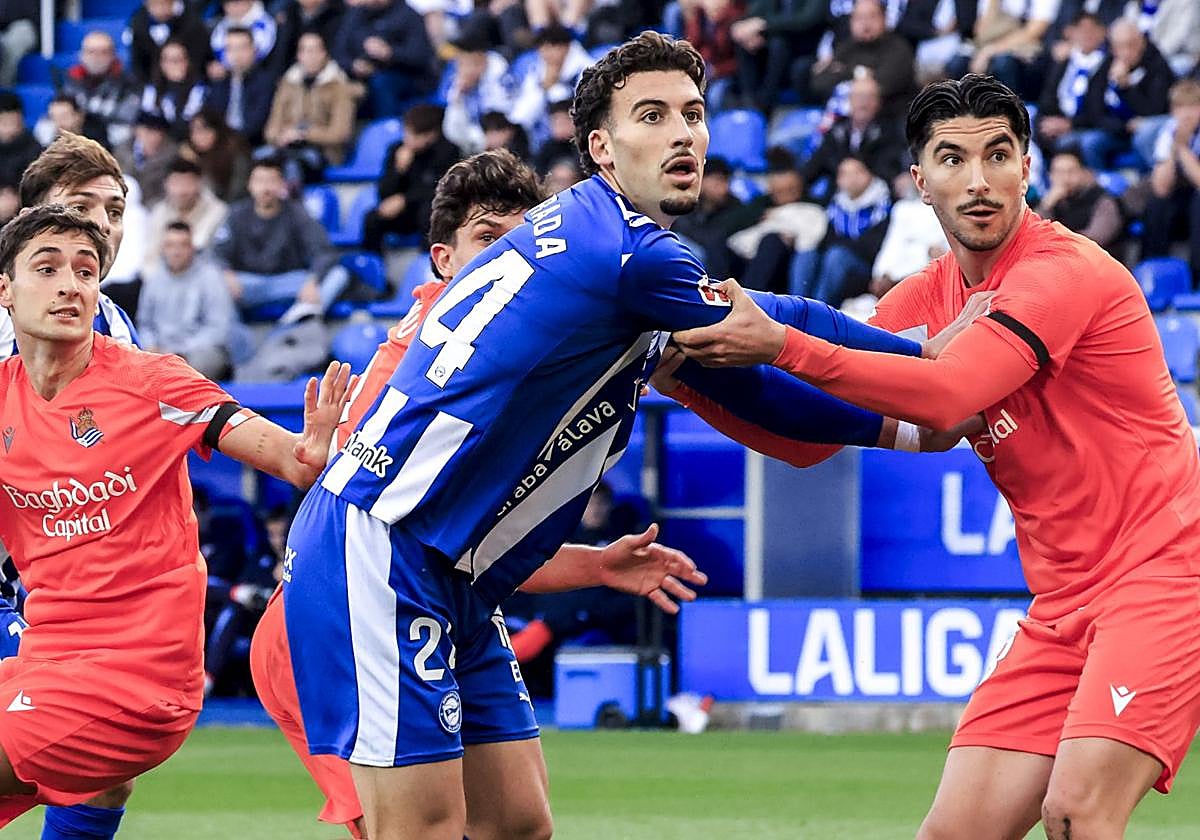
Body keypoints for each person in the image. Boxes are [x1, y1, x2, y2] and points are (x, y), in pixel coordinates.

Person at [282, 33, 946, 840]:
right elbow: (758, 366)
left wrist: (916, 368)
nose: (683, 135)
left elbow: (765, 322)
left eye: (694, 115)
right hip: (388, 549)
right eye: (653, 115)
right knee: (420, 828)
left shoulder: (607, 245)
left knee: (517, 823)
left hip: (457, 569)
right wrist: (923, 399)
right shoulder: (625, 252)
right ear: (601, 146)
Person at [671, 73, 1200, 839]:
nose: (978, 180)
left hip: (1165, 571)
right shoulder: (924, 299)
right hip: (1061, 605)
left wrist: (780, 343)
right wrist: (685, 375)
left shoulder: (1066, 272)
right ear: (921, 180)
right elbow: (816, 437)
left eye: (998, 154)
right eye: (952, 159)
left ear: (1028, 168)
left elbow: (949, 395)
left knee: (1080, 814)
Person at [251, 148, 711, 838]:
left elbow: (472, 539)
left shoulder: (527, 352)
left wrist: (593, 564)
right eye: (488, 240)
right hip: (344, 606)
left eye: (522, 241)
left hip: (446, 588)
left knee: (517, 822)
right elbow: (389, 530)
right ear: (442, 260)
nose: (510, 259)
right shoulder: (428, 361)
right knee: (420, 827)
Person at [212, 155, 350, 317]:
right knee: (214, 282)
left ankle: (294, 322)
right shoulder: (236, 214)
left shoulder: (298, 213)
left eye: (272, 181)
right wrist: (226, 273)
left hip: (289, 282)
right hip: (247, 283)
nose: (266, 188)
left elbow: (324, 252)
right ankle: (233, 337)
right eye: (260, 181)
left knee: (338, 275)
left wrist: (313, 280)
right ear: (249, 184)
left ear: (282, 184)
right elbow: (216, 254)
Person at [137, 220, 236, 378]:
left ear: (192, 248)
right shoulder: (153, 279)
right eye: (170, 245)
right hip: (160, 353)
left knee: (202, 361)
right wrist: (151, 345)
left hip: (198, 352)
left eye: (183, 245)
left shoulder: (211, 277)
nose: (176, 251)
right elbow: (144, 323)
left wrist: (181, 351)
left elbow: (218, 328)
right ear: (163, 248)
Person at [262, 31, 364, 182]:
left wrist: (304, 134)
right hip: (286, 147)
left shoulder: (340, 88)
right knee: (260, 159)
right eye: (303, 50)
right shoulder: (287, 84)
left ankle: (292, 204)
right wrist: (281, 136)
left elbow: (340, 133)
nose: (308, 56)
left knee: (293, 165)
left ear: (324, 53)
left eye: (313, 50)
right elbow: (271, 128)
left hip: (324, 152)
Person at [361, 104, 460, 253]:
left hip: (427, 208)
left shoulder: (447, 152)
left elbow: (441, 189)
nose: (408, 139)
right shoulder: (396, 150)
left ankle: (428, 260)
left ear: (431, 135)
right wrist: (398, 170)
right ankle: (372, 265)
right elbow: (384, 191)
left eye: (414, 135)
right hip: (403, 213)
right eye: (406, 133)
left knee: (429, 214)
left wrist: (405, 199)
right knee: (372, 218)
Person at [1142, 78, 1200, 287]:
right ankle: (1153, 271)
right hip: (1180, 202)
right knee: (1156, 204)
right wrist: (1174, 147)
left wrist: (1183, 148)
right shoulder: (1169, 131)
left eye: (1193, 106)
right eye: (1180, 107)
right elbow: (1161, 187)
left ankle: (1196, 277)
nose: (1186, 113)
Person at [142, 156, 228, 273]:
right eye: (176, 183)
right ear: (166, 184)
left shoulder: (218, 211)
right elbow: (151, 255)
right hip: (163, 278)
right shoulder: (159, 211)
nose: (181, 191)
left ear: (199, 183)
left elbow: (202, 248)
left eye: (188, 183)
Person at [57, 31, 142, 149]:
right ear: (81, 55)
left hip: (110, 152)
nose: (96, 58)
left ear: (113, 55)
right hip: (73, 149)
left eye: (103, 52)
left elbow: (125, 129)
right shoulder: (70, 83)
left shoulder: (128, 84)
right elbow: (48, 126)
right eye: (91, 52)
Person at [1036, 148, 1123, 254]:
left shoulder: (1103, 200)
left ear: (1084, 173)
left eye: (1071, 171)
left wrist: (1055, 243)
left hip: (1094, 261)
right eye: (1058, 172)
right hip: (1057, 259)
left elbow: (1096, 239)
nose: (1065, 178)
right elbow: (1033, 234)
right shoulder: (1051, 202)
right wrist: (1046, 205)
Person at [205, 26, 279, 148]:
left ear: (253, 50)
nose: (236, 55)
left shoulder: (265, 82)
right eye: (230, 49)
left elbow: (256, 124)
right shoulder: (221, 80)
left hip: (252, 145)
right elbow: (212, 116)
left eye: (241, 48)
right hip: (221, 145)